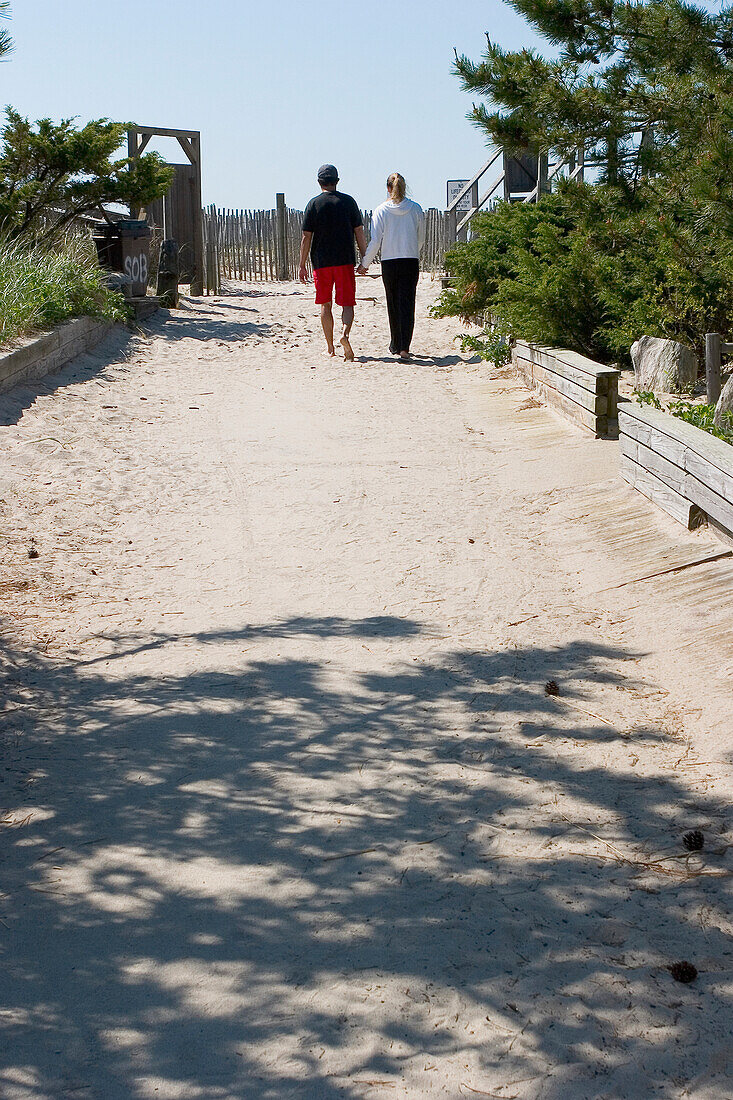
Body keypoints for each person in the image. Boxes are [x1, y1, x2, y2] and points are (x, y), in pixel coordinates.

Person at [299, 165, 367, 361]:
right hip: (344, 260)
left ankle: (330, 347)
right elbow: (359, 231)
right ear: (337, 180)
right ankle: (344, 335)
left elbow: (306, 237)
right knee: (347, 304)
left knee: (325, 305)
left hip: (321, 262)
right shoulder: (348, 202)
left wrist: (302, 264)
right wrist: (365, 257)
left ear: (319, 182)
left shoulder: (313, 204)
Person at [357, 172, 425, 360]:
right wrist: (412, 250)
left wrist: (365, 264)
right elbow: (421, 238)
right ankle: (404, 346)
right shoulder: (416, 209)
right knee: (408, 302)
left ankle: (395, 343)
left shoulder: (381, 210)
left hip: (390, 261)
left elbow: (376, 241)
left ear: (388, 188)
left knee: (393, 302)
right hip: (410, 260)